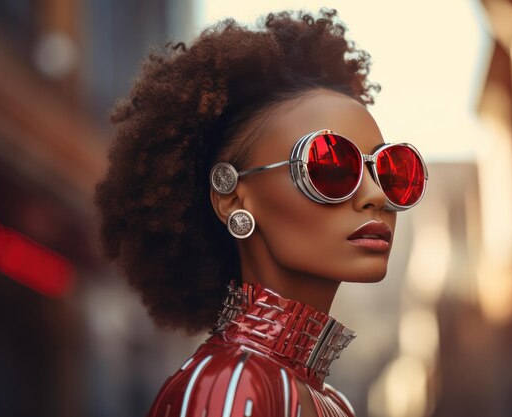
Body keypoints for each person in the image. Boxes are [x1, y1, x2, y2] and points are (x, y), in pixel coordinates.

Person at [95, 8, 427, 417]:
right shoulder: (230, 386)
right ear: (233, 198)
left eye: (394, 169)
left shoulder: (330, 401)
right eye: (331, 166)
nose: (377, 195)